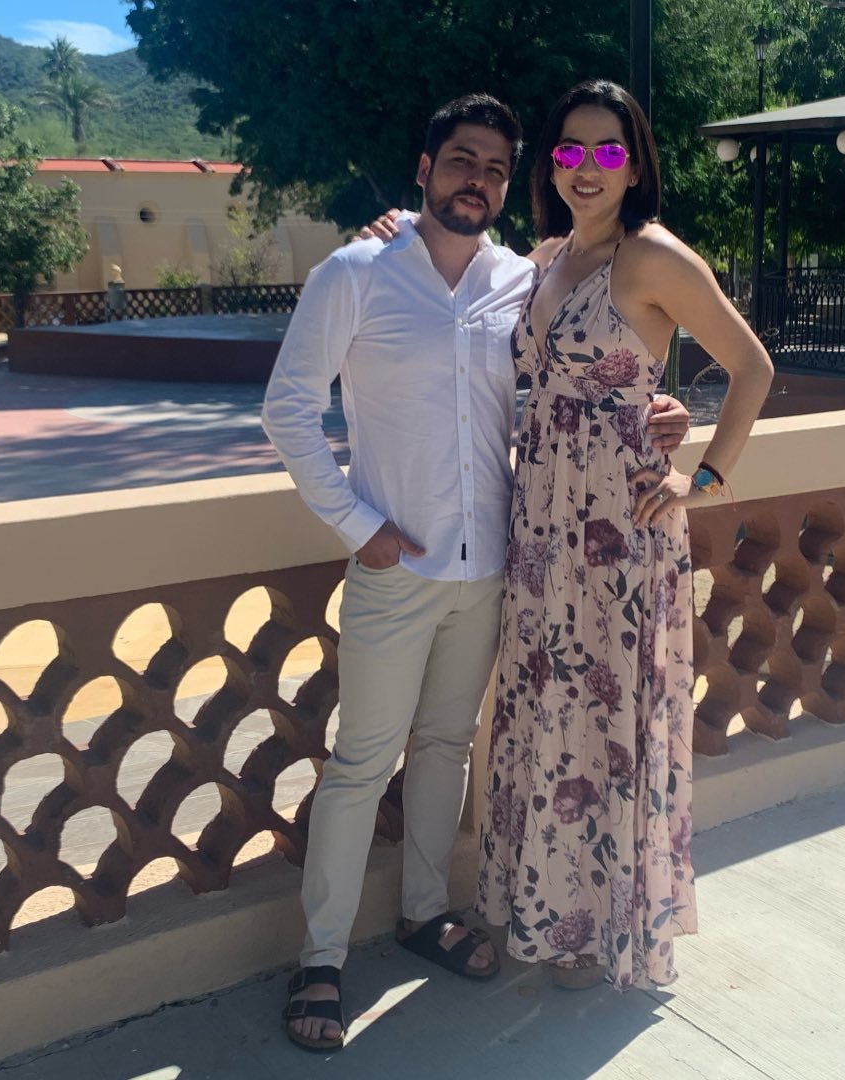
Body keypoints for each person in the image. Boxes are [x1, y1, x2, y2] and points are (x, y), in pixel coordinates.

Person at [262, 93, 690, 1051]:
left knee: (448, 746)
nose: (477, 181)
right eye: (461, 160)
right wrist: (356, 524)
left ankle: (423, 913)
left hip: (497, 564)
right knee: (361, 762)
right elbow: (287, 409)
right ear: (424, 170)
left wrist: (667, 412)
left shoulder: (520, 278)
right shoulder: (355, 273)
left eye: (495, 168)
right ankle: (321, 958)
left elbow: (599, 360)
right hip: (394, 563)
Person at [475, 80, 773, 991]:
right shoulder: (548, 257)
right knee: (548, 704)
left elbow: (752, 367)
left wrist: (701, 478)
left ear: (636, 165)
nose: (587, 167)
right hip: (543, 521)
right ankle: (549, 909)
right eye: (570, 149)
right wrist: (390, 229)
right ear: (550, 163)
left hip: (617, 526)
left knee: (606, 715)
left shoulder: (653, 257)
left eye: (608, 151)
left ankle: (600, 928)